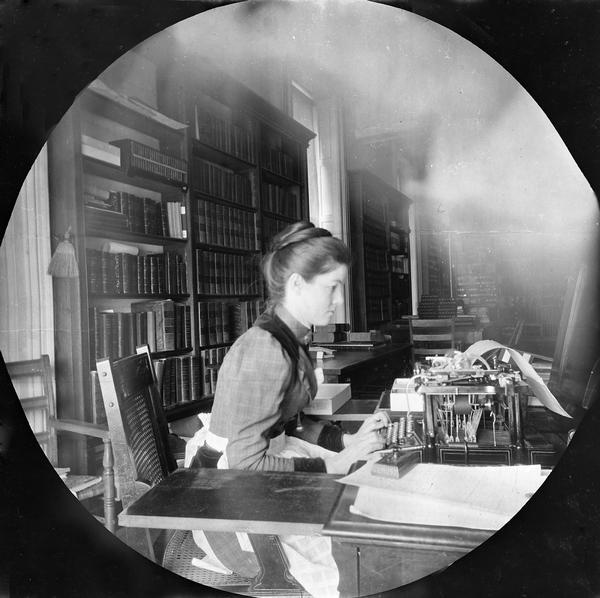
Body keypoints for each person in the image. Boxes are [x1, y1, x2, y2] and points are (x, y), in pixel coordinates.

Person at [188, 221, 389, 596]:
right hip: (229, 503)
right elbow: (245, 465)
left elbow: (292, 424)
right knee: (348, 561)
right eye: (332, 287)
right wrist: (332, 464)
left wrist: (346, 441)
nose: (338, 301)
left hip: (262, 466)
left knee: (362, 505)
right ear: (297, 284)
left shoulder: (290, 335)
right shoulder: (266, 350)